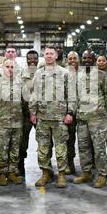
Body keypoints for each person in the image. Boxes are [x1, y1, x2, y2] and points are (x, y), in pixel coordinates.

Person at [29, 46, 75, 188]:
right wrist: (32, 112)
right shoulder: (38, 74)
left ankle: (61, 174)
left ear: (56, 56)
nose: (48, 56)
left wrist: (70, 113)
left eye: (51, 54)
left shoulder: (65, 73)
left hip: (59, 118)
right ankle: (46, 173)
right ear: (44, 56)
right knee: (43, 148)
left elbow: (71, 94)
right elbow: (33, 94)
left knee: (61, 148)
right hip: (42, 118)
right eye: (46, 54)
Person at [73, 50, 107, 188]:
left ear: (94, 59)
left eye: (90, 58)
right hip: (82, 118)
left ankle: (102, 175)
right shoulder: (78, 76)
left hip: (98, 120)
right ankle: (86, 172)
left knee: (99, 148)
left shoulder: (102, 75)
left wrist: (100, 109)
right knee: (83, 147)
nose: (87, 60)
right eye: (84, 58)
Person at [0, 59, 24, 186]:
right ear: (2, 68)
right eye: (7, 66)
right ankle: (2, 173)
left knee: (15, 149)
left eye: (12, 67)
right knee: (2, 149)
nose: (10, 69)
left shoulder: (21, 83)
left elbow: (25, 103)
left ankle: (13, 172)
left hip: (17, 122)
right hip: (2, 123)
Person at [19, 50, 39, 176]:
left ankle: (46, 167)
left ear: (38, 59)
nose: (32, 61)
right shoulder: (21, 73)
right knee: (22, 141)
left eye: (34, 59)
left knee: (44, 142)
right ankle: (20, 165)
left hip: (40, 114)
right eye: (29, 59)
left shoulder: (43, 73)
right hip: (25, 114)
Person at [64, 51, 80, 175]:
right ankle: (69, 162)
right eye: (70, 58)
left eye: (74, 58)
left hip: (84, 111)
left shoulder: (84, 73)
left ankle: (92, 164)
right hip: (69, 112)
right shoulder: (62, 73)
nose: (72, 60)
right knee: (69, 138)